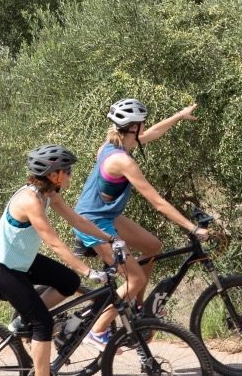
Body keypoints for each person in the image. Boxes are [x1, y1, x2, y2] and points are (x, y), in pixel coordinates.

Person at [0, 144, 115, 376]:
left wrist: (110, 238)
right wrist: (87, 271)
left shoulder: (49, 193)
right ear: (54, 174)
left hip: (22, 262)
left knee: (67, 281)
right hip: (2, 268)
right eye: (67, 170)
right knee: (42, 322)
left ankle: (22, 321)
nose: (70, 175)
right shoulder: (30, 200)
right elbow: (54, 243)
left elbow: (76, 220)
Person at [74, 98, 203, 346]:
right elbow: (157, 202)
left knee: (153, 246)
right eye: (142, 123)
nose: (145, 127)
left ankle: (136, 306)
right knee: (136, 279)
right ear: (134, 127)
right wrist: (192, 227)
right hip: (93, 222)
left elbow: (153, 132)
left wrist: (178, 115)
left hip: (106, 216)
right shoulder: (124, 161)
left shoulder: (113, 146)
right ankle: (98, 331)